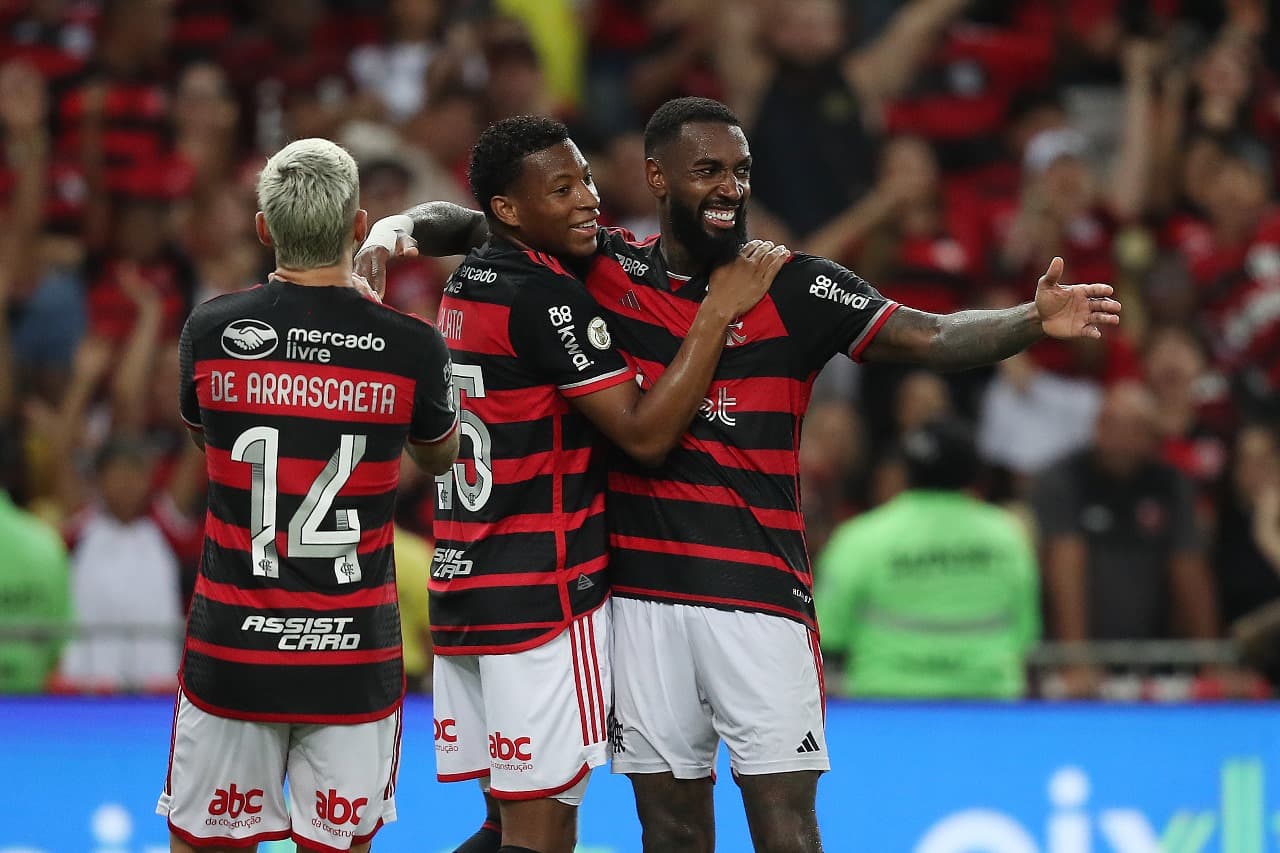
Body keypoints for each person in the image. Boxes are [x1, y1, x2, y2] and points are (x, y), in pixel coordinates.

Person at [360, 96, 1121, 853]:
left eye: (742, 171)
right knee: (672, 829)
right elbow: (481, 224)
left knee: (786, 830)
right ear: (657, 178)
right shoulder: (604, 264)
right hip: (644, 602)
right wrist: (399, 231)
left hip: (759, 600)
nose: (730, 187)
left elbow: (929, 335)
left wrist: (1028, 319)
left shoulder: (794, 284)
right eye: (709, 170)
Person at [397, 115, 785, 853]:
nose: (588, 201)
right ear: (508, 211)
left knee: (501, 823)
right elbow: (642, 435)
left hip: (465, 592)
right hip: (542, 597)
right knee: (542, 834)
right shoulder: (548, 298)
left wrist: (400, 229)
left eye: (586, 179)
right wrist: (716, 313)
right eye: (563, 188)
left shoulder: (469, 282)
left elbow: (461, 227)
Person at [158, 138, 460, 852]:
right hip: (353, 658)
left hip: (233, 651)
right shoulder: (414, 346)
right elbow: (440, 456)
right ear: (360, 226)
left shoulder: (211, 330)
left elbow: (213, 439)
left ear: (264, 228)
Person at [815, 417, 1040, 699]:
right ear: (974, 472)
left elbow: (829, 630)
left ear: (906, 470)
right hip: (989, 702)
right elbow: (1025, 630)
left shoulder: (861, 537)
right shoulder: (1009, 536)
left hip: (885, 704)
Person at [1031, 381, 1217, 699]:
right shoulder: (1063, 479)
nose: (1118, 436)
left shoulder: (1171, 484)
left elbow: (1188, 568)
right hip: (1078, 657)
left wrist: (1213, 660)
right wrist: (1075, 660)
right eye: (1109, 422)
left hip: (1154, 651)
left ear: (1152, 437)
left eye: (1133, 428)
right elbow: (1065, 568)